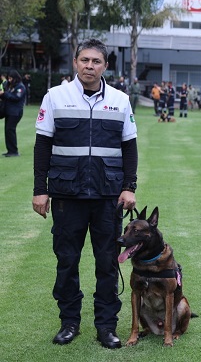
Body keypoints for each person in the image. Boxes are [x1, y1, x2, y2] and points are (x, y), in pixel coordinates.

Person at [32, 38, 138, 349]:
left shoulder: (120, 100)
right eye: (84, 60)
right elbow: (42, 147)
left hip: (108, 197)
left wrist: (129, 186)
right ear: (76, 63)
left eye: (96, 61)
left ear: (105, 66)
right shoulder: (55, 97)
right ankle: (69, 322)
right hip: (67, 195)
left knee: (107, 263)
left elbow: (129, 147)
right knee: (67, 261)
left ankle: (106, 326)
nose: (89, 66)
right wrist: (41, 190)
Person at [1, 70, 27, 156]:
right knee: (8, 131)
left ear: (15, 78)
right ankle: (10, 150)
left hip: (15, 112)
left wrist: (4, 94)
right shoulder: (11, 86)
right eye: (8, 78)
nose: (9, 80)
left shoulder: (20, 87)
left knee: (10, 130)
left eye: (10, 78)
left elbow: (16, 98)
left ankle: (14, 151)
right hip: (9, 112)